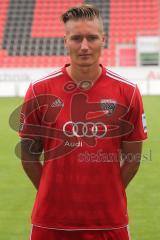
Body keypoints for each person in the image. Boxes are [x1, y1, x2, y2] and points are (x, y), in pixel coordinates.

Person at [19, 4, 147, 240]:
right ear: (65, 40)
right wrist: (54, 194)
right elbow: (28, 158)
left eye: (92, 37)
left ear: (103, 39)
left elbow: (133, 160)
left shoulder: (128, 92)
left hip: (109, 222)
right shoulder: (40, 91)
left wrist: (107, 194)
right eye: (76, 38)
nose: (85, 46)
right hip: (50, 222)